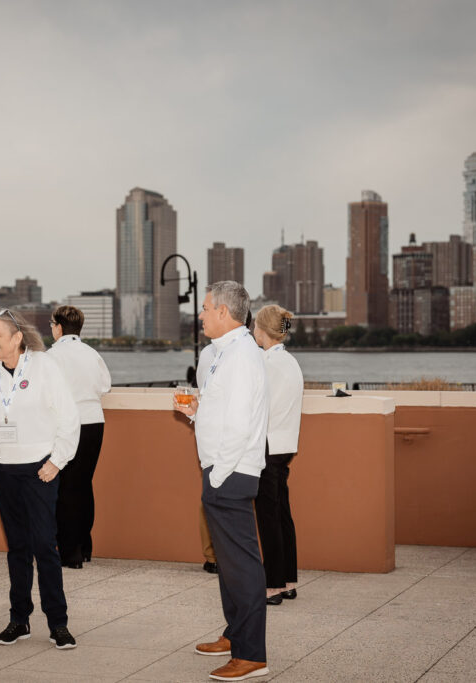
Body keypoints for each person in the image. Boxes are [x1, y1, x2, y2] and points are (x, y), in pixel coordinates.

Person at [0, 309, 81, 650]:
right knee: (17, 548)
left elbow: (69, 419)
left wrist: (56, 462)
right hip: (3, 471)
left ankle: (58, 624)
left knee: (45, 546)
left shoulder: (45, 367)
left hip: (40, 471)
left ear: (17, 338)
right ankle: (19, 620)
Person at [174, 281, 269, 682]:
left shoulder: (242, 357)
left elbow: (241, 424)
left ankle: (251, 656)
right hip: (220, 468)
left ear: (225, 313)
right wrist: (197, 411)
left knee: (241, 564)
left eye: (206, 308)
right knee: (229, 564)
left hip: (229, 471)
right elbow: (222, 413)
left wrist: (218, 473)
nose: (200, 314)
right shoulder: (222, 354)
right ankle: (234, 635)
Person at [47, 305, 111, 568]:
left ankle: (69, 552)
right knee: (84, 484)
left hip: (67, 425)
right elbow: (104, 386)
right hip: (94, 422)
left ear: (59, 327)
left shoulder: (51, 356)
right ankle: (85, 546)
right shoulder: (92, 353)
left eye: (52, 324)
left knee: (65, 488)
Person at [252, 305, 303, 605]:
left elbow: (257, 406)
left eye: (256, 326)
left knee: (268, 517)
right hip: (285, 444)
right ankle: (288, 579)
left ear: (262, 330)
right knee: (282, 513)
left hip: (268, 445)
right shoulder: (290, 362)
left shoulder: (266, 365)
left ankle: (272, 585)